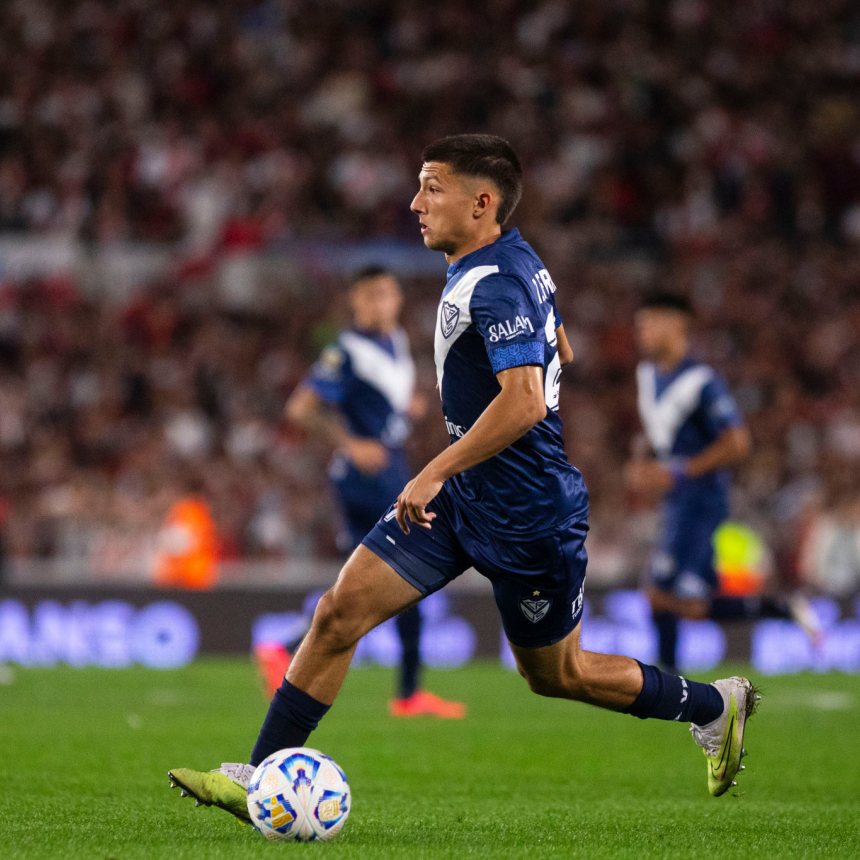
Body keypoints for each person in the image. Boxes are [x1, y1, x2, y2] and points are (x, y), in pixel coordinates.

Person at [168, 134, 758, 822]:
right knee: (337, 613)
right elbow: (559, 342)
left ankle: (714, 705)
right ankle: (260, 775)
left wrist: (432, 469)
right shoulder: (506, 258)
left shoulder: (496, 281)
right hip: (464, 498)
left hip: (529, 513)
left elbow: (525, 401)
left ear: (481, 203)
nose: (414, 203)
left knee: (555, 674)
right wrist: (533, 360)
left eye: (431, 188)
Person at [255, 265, 465, 719]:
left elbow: (383, 399)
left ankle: (296, 652)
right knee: (405, 575)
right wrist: (351, 444)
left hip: (392, 468)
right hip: (368, 477)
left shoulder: (395, 342)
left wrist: (406, 407)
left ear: (398, 300)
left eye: (385, 294)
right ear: (354, 302)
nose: (378, 304)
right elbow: (301, 408)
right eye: (368, 296)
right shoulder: (346, 349)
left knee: (381, 582)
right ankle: (404, 691)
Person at [627, 293, 821, 672]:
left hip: (701, 500)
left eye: (650, 322)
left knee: (662, 595)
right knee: (686, 604)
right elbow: (657, 432)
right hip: (677, 500)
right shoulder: (648, 376)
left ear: (677, 324)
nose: (642, 331)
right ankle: (781, 608)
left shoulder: (700, 381)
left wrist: (681, 470)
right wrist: (640, 462)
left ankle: (667, 682)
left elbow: (737, 441)